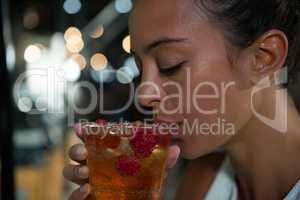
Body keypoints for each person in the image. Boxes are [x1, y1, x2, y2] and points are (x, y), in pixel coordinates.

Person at [63, 0, 300, 199]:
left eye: (170, 64)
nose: (144, 95)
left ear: (263, 57)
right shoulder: (201, 181)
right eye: (139, 68)